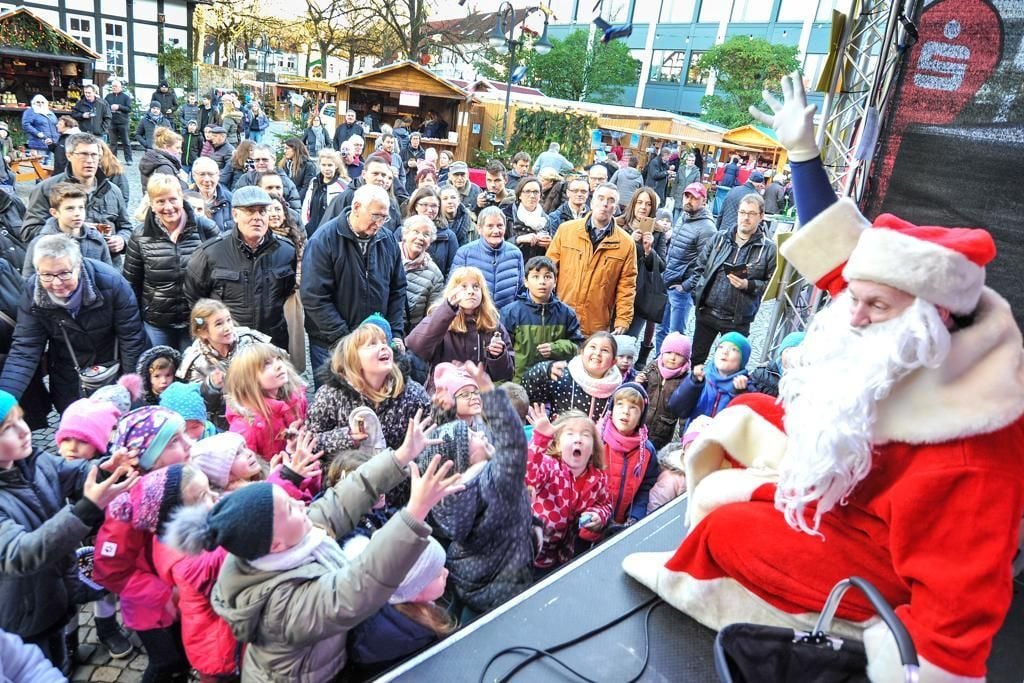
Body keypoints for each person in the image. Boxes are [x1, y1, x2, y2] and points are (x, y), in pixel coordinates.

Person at [625, 71, 1024, 683]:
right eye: (853, 298)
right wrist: (803, 154)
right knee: (744, 412)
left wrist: (920, 665)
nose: (851, 313)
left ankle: (777, 609)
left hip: (882, 557)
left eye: (873, 307)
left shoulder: (970, 444)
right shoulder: (907, 321)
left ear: (929, 318)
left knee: (725, 524)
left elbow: (957, 609)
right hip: (856, 489)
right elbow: (839, 257)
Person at [164, 411, 461, 683]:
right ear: (276, 542)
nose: (299, 503)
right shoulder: (280, 606)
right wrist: (414, 514)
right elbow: (357, 589)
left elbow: (338, 503)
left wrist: (398, 458)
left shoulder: (285, 541)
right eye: (290, 509)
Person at [0, 390, 139, 673]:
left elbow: (73, 473)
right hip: (22, 619)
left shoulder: (33, 462)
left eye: (20, 419)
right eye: (7, 428)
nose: (25, 431)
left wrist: (104, 469)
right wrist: (86, 509)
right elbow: (21, 553)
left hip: (54, 596)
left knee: (60, 661)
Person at [417, 361, 532, 619]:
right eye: (472, 438)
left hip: (471, 579)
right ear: (464, 457)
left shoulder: (449, 494)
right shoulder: (492, 480)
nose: (480, 435)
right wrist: (490, 392)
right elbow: (514, 446)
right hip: (507, 580)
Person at [93, 463, 215, 683]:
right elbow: (108, 572)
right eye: (200, 498)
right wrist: (165, 593)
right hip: (149, 610)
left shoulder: (158, 508)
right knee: (166, 662)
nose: (212, 499)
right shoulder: (122, 527)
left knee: (181, 657)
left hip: (175, 599)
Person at [0, 235, 147, 414]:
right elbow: (25, 349)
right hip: (68, 377)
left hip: (113, 371)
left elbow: (131, 340)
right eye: (46, 275)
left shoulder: (111, 283)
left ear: (78, 265)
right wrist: (4, 403)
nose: (56, 283)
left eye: (64, 273)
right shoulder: (33, 293)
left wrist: (133, 393)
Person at [301, 184, 407, 381]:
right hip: (332, 343)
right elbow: (315, 297)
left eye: (385, 217)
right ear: (356, 207)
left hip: (375, 341)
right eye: (376, 215)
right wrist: (348, 339)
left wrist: (395, 332)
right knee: (335, 402)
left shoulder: (387, 240)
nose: (380, 223)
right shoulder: (323, 240)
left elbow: (397, 289)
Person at [184, 186, 297, 349]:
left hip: (272, 342)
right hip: (228, 344)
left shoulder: (286, 251)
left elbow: (285, 292)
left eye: (263, 211)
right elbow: (194, 299)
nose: (257, 217)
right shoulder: (210, 252)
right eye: (250, 211)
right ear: (235, 215)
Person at [307, 322, 431, 466]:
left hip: (398, 479)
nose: (384, 346)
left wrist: (444, 410)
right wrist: (347, 437)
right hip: (346, 481)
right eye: (372, 344)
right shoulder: (331, 395)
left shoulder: (411, 392)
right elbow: (309, 443)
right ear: (353, 359)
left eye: (385, 342)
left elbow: (432, 435)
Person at [124, 174, 220, 351]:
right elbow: (131, 283)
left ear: (181, 199)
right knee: (160, 372)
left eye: (172, 199)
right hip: (157, 322)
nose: (168, 207)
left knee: (194, 373)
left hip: (196, 320)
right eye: (160, 201)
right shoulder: (140, 236)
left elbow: (220, 276)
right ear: (151, 205)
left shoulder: (205, 229)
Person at [689, 193, 777, 363]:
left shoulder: (768, 249)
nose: (746, 218)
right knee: (696, 362)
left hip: (737, 320)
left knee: (732, 367)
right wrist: (696, 295)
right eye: (742, 212)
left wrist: (749, 285)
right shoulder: (720, 238)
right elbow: (699, 267)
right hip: (707, 313)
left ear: (761, 216)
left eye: (751, 214)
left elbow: (772, 286)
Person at [20, 132, 132, 262]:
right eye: (83, 154)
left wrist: (122, 240)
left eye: (94, 155)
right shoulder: (46, 189)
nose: (89, 160)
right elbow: (29, 231)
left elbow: (126, 227)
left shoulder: (113, 190)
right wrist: (70, 229)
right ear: (69, 155)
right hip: (61, 268)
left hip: (106, 268)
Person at [525, 406, 610, 574]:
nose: (578, 439)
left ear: (593, 448)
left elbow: (605, 504)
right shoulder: (549, 466)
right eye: (570, 434)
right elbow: (527, 478)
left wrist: (598, 515)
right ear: (557, 443)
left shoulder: (598, 478)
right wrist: (540, 440)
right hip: (530, 555)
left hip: (564, 558)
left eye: (585, 435)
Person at [546, 182, 637, 336]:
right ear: (592, 201)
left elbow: (627, 285)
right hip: (560, 316)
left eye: (611, 200)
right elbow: (548, 270)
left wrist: (623, 319)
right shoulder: (567, 230)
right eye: (600, 198)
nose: (605, 204)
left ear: (616, 208)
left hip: (595, 322)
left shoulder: (626, 243)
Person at [406, 266, 514, 387]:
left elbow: (506, 374)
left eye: (476, 287)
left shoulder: (493, 324)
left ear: (483, 293)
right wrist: (448, 309)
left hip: (480, 394)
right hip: (445, 393)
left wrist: (498, 356)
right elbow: (416, 345)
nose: (471, 291)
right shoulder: (440, 319)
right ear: (453, 291)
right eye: (464, 287)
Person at [178, 298, 270, 431]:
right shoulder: (195, 362)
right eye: (219, 324)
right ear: (203, 332)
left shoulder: (249, 339)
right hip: (226, 426)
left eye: (228, 320)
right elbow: (199, 406)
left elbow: (280, 359)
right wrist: (211, 386)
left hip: (262, 413)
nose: (228, 327)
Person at [500, 255, 583, 384]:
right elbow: (502, 353)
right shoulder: (510, 312)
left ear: (555, 282)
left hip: (555, 382)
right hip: (519, 382)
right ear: (526, 282)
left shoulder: (566, 313)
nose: (542, 282)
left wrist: (556, 348)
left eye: (547, 276)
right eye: (536, 277)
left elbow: (578, 347)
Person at [656, 182, 715, 353]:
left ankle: (674, 372)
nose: (689, 201)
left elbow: (707, 265)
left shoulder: (707, 228)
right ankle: (659, 368)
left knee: (676, 337)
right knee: (661, 331)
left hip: (681, 290)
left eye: (694, 198)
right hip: (668, 283)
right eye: (687, 196)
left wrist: (686, 286)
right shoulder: (683, 217)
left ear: (703, 201)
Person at [225, 343, 307, 460]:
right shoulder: (246, 427)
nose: (279, 366)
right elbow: (251, 474)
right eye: (266, 365)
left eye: (278, 359)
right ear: (249, 380)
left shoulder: (296, 398)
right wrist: (289, 454)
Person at [522, 331, 623, 421]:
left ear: (613, 362)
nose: (597, 353)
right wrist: (543, 370)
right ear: (582, 352)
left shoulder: (619, 389)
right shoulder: (563, 375)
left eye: (605, 350)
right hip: (560, 438)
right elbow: (529, 393)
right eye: (592, 347)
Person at [599, 382, 660, 525]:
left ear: (641, 417)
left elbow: (646, 486)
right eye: (620, 404)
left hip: (623, 523)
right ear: (611, 410)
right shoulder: (596, 441)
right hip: (592, 520)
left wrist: (635, 516)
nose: (626, 411)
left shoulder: (646, 451)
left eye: (633, 408)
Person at [23, 182, 111, 277]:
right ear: (55, 213)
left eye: (81, 208)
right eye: (70, 208)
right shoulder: (40, 244)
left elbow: (109, 275)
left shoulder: (96, 239)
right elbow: (28, 281)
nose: (77, 213)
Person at [668, 331, 751, 425]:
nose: (725, 352)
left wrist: (739, 395)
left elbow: (741, 427)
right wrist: (692, 383)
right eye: (721, 347)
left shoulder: (746, 388)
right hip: (694, 438)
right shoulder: (702, 378)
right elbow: (676, 409)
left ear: (743, 359)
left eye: (734, 349)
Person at [450, 206, 523, 310]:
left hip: (506, 318)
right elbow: (454, 289)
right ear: (479, 229)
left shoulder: (515, 253)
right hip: (474, 318)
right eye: (490, 226)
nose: (496, 230)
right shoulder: (465, 253)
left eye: (500, 226)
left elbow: (520, 289)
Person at [636, 332, 691, 450]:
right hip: (641, 422)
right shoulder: (652, 368)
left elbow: (685, 409)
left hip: (662, 430)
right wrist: (638, 382)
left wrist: (684, 434)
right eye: (669, 352)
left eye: (678, 354)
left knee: (654, 457)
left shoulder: (685, 380)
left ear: (686, 358)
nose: (672, 357)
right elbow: (635, 392)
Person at [400, 215, 445, 330]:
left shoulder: (434, 274)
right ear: (405, 234)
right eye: (415, 232)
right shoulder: (388, 256)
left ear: (430, 241)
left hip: (410, 333)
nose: (420, 237)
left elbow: (432, 315)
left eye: (426, 234)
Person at [230, 143, 302, 212]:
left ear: (274, 159)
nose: (261, 163)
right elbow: (233, 202)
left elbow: (296, 211)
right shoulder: (245, 179)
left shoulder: (285, 182)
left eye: (264, 160)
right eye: (257, 160)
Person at [405, 187, 458, 277]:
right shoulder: (402, 231)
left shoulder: (449, 236)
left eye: (434, 206)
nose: (429, 210)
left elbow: (453, 270)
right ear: (415, 206)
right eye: (424, 205)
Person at [505, 176, 553, 262]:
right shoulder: (507, 215)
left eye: (536, 192)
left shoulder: (546, 219)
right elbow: (497, 245)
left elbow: (551, 253)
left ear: (540, 195)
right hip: (512, 265)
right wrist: (518, 239)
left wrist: (548, 245)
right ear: (520, 195)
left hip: (536, 269)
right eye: (527, 191)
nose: (532, 196)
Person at [301, 148, 348, 235]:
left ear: (336, 166)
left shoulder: (342, 185)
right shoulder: (314, 182)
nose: (327, 168)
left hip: (331, 232)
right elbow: (306, 205)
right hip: (311, 230)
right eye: (324, 165)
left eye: (330, 165)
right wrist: (305, 224)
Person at [748, 330, 804, 397]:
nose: (791, 357)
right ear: (781, 353)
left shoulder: (807, 384)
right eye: (788, 351)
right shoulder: (761, 374)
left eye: (798, 353)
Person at [190, 156, 233, 232]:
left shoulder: (230, 200)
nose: (207, 179)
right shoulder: (186, 200)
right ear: (194, 176)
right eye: (202, 174)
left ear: (218, 175)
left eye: (211, 174)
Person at [140, 127, 189, 192]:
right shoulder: (164, 167)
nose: (180, 151)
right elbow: (172, 193)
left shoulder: (155, 160)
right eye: (177, 148)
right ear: (166, 146)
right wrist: (183, 181)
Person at [21, 95, 57, 164]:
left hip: (52, 143)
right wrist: (38, 133)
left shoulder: (50, 113)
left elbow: (56, 124)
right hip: (39, 143)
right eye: (38, 102)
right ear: (34, 103)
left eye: (42, 102)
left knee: (50, 165)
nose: (40, 104)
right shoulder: (30, 112)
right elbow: (26, 125)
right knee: (40, 165)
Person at [104, 79, 134, 164]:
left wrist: (119, 107)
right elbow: (104, 107)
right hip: (112, 122)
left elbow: (129, 109)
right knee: (112, 143)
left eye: (116, 86)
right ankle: (113, 159)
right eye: (113, 86)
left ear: (120, 87)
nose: (114, 88)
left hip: (123, 122)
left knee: (126, 142)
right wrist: (110, 108)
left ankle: (129, 159)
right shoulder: (108, 96)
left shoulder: (126, 97)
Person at [670, 153, 702, 224]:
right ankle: (674, 230)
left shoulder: (696, 172)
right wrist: (672, 194)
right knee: (675, 214)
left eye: (693, 161)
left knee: (683, 215)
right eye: (689, 160)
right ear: (686, 161)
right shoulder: (681, 169)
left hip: (688, 196)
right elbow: (676, 182)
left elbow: (696, 185)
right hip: (678, 194)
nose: (691, 162)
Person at [400, 132, 425, 196]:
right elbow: (399, 164)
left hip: (417, 178)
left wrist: (417, 164)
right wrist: (407, 163)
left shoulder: (423, 153)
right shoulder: (404, 151)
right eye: (414, 139)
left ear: (419, 141)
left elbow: (425, 166)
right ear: (410, 140)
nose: (415, 141)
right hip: (406, 177)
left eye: (417, 139)